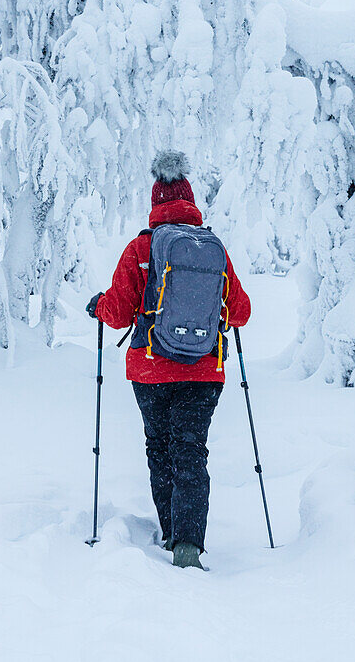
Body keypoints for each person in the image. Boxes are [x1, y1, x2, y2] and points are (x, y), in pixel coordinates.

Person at [86, 151, 251, 569]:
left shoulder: (141, 248)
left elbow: (120, 311)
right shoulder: (214, 249)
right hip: (204, 371)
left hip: (151, 369)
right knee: (192, 450)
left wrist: (98, 307)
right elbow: (242, 311)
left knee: (160, 448)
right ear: (191, 201)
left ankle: (171, 532)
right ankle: (189, 545)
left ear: (156, 202)